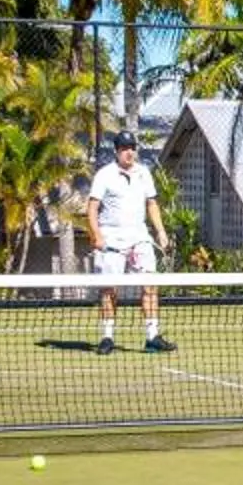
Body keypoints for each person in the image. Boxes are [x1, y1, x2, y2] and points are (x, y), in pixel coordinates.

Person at [85, 132, 170, 355]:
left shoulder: (144, 173)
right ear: (117, 151)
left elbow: (151, 204)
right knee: (109, 289)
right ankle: (107, 337)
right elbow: (92, 208)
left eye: (132, 147)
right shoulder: (104, 175)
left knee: (150, 286)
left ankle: (152, 337)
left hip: (140, 237)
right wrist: (97, 235)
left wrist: (160, 231)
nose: (129, 151)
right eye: (124, 148)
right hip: (111, 238)